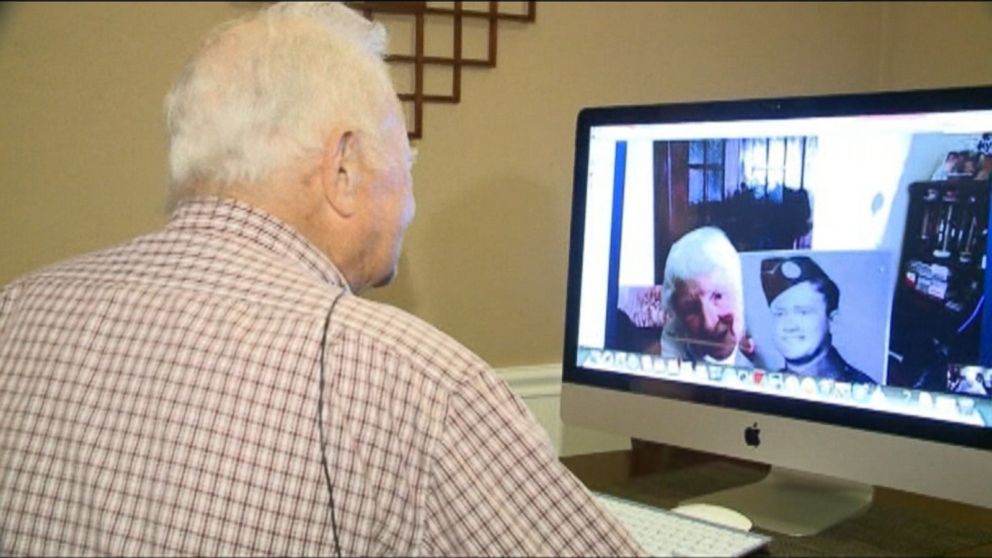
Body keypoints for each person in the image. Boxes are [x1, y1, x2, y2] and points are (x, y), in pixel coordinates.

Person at [0, 3, 643, 556]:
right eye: (405, 157)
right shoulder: (416, 385)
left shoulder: (15, 312)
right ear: (342, 169)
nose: (412, 196)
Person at [760, 255, 876, 384]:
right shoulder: (763, 385)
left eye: (803, 312)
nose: (790, 326)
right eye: (780, 313)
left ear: (832, 320)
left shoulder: (864, 389)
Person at [659, 226, 757, 366]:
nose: (709, 324)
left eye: (718, 296)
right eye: (691, 308)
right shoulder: (676, 334)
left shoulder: (767, 324)